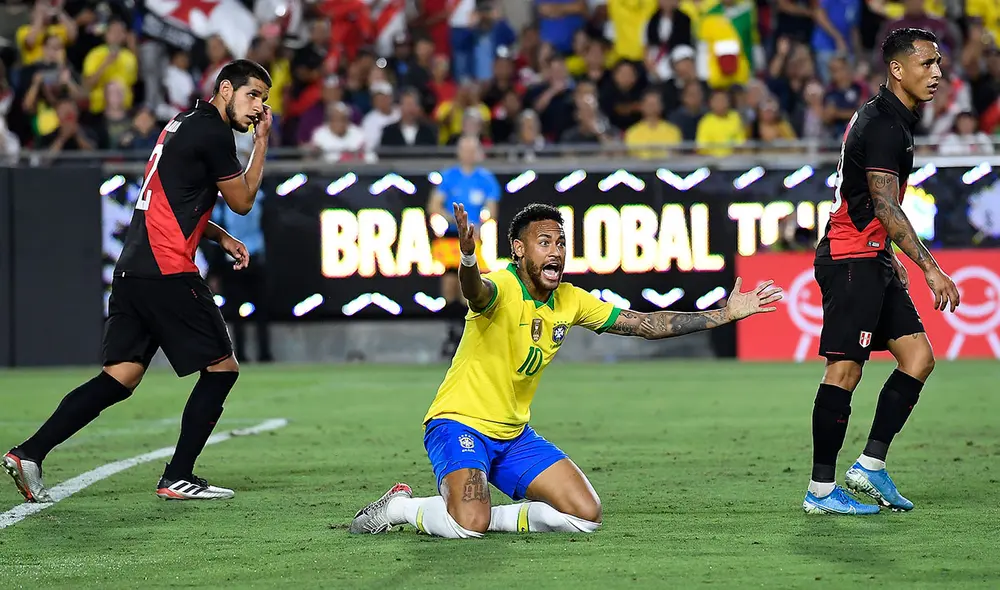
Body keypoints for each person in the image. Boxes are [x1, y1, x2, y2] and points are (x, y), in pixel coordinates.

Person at [349, 202, 783, 537]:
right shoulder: (501, 285)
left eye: (560, 242)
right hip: (457, 424)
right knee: (467, 527)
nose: (556, 250)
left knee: (584, 516)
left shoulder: (571, 299)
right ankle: (400, 507)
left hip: (514, 436)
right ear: (518, 250)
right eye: (544, 242)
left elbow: (645, 324)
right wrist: (466, 259)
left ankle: (487, 517)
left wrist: (723, 314)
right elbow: (474, 292)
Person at [2, 59, 273, 503]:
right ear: (226, 89)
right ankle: (178, 475)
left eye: (264, 100)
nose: (259, 108)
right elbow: (242, 200)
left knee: (119, 377)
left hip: (132, 270)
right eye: (253, 95)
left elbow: (174, 196)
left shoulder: (181, 124)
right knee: (222, 369)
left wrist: (219, 237)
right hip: (167, 270)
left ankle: (29, 453)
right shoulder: (214, 132)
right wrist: (261, 143)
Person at [805, 28, 961, 515]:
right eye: (927, 64)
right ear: (898, 69)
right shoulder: (885, 126)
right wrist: (932, 269)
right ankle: (821, 489)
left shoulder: (891, 117)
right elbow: (886, 207)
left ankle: (870, 466)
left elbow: (868, 203)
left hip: (871, 256)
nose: (936, 73)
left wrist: (888, 257)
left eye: (939, 64)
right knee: (845, 369)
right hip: (851, 259)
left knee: (918, 358)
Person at [426, 135, 501, 358]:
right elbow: (434, 205)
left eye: (472, 149)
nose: (468, 153)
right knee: (450, 282)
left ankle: (469, 330)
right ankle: (452, 329)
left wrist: (480, 222)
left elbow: (491, 210)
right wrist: (453, 220)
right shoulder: (449, 176)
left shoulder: (486, 179)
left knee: (470, 284)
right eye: (465, 149)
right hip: (451, 235)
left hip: (474, 236)